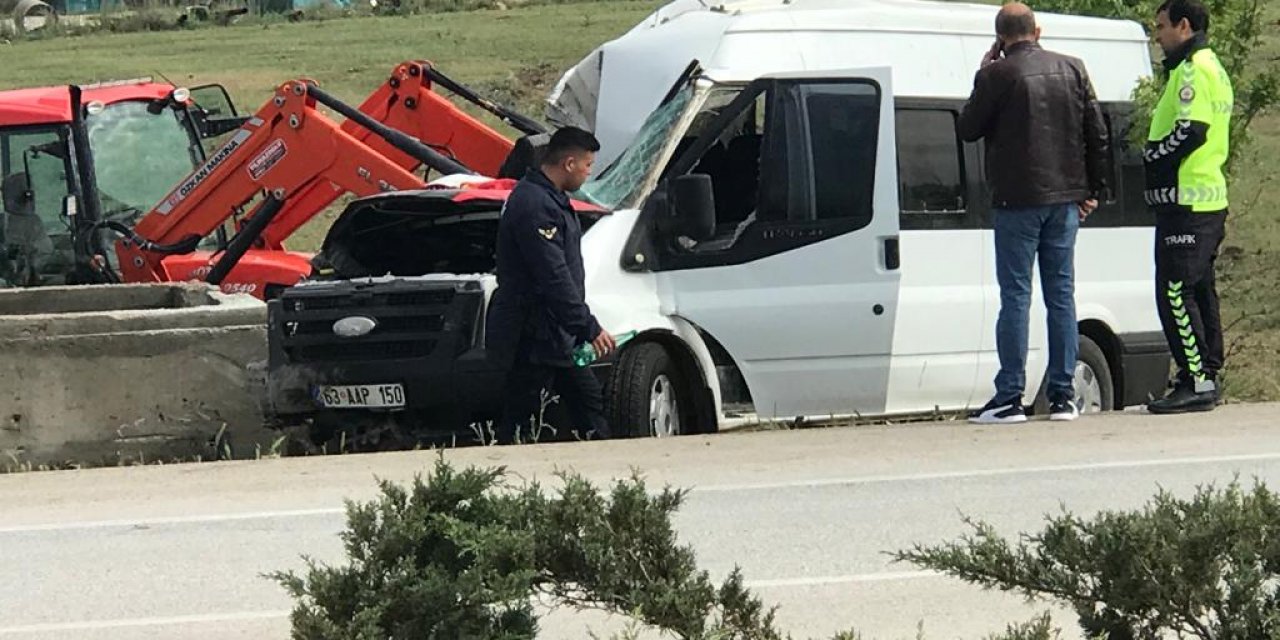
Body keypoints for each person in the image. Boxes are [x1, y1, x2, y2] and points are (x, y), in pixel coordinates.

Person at [957, 2, 1111, 424]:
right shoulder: (1074, 68)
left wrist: (982, 73)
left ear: (1000, 38)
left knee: (1016, 297)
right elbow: (1096, 132)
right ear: (1037, 31)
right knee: (1061, 296)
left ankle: (1009, 397)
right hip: (1064, 200)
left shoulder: (996, 74)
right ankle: (1062, 396)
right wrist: (1094, 189)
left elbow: (968, 128)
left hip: (1015, 202)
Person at [485, 126, 616, 444]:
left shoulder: (549, 199)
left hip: (556, 335)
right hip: (532, 334)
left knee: (588, 402)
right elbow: (553, 275)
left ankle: (605, 471)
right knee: (523, 415)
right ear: (569, 163)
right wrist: (588, 326)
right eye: (587, 166)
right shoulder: (535, 205)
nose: (588, 174)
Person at [1143, 0, 1233, 414]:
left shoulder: (1193, 70)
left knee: (1176, 291)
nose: (1157, 36)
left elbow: (1191, 130)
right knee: (1199, 290)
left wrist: (1154, 155)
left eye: (1161, 27)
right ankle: (1207, 375)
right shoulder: (1213, 65)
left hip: (1188, 200)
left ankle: (1195, 379)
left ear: (1183, 26)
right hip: (1206, 197)